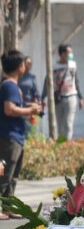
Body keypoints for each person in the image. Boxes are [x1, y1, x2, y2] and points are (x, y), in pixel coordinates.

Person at [0, 51, 41, 218]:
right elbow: (9, 109)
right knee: (6, 173)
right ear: (19, 67)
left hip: (15, 135)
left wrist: (28, 107)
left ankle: (7, 207)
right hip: (10, 136)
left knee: (13, 174)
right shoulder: (9, 85)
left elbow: (14, 106)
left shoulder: (10, 84)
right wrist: (30, 109)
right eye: (24, 63)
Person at [42, 43, 84, 140]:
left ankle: (67, 143)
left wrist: (80, 97)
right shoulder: (53, 66)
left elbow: (76, 81)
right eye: (68, 53)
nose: (71, 55)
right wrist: (43, 97)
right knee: (59, 124)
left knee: (68, 123)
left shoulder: (73, 65)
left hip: (71, 97)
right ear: (62, 53)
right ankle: (61, 145)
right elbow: (47, 82)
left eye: (71, 53)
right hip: (58, 98)